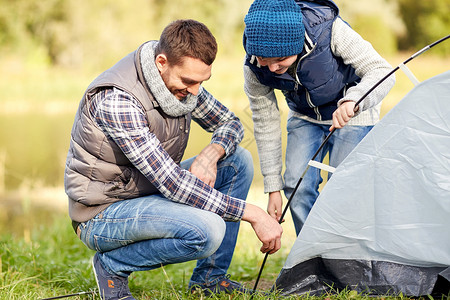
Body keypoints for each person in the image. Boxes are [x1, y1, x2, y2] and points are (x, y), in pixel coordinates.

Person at [64, 19, 283, 300]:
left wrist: (212, 152)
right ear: (161, 62)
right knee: (208, 230)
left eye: (201, 82)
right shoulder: (119, 101)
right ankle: (111, 267)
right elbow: (173, 184)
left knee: (236, 161)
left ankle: (209, 279)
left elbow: (231, 124)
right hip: (102, 213)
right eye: (189, 81)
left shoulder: (181, 84)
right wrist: (254, 214)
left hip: (145, 190)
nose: (194, 91)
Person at [243, 0, 395, 235]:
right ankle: (313, 256)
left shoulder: (328, 29)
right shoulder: (253, 66)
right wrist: (273, 187)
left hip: (353, 112)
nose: (272, 68)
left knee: (343, 189)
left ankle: (346, 256)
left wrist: (354, 100)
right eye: (264, 59)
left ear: (295, 44)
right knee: (296, 187)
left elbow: (381, 71)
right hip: (305, 116)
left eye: (280, 60)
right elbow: (265, 123)